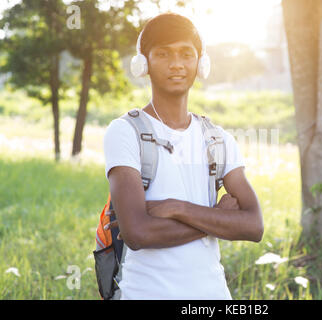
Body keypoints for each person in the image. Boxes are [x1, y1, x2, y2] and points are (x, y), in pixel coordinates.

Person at [103, 12, 263, 300]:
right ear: (144, 63)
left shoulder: (218, 139)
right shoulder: (124, 132)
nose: (176, 64)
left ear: (201, 64)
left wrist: (179, 208)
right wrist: (218, 218)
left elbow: (253, 226)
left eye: (185, 54)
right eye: (163, 54)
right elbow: (138, 233)